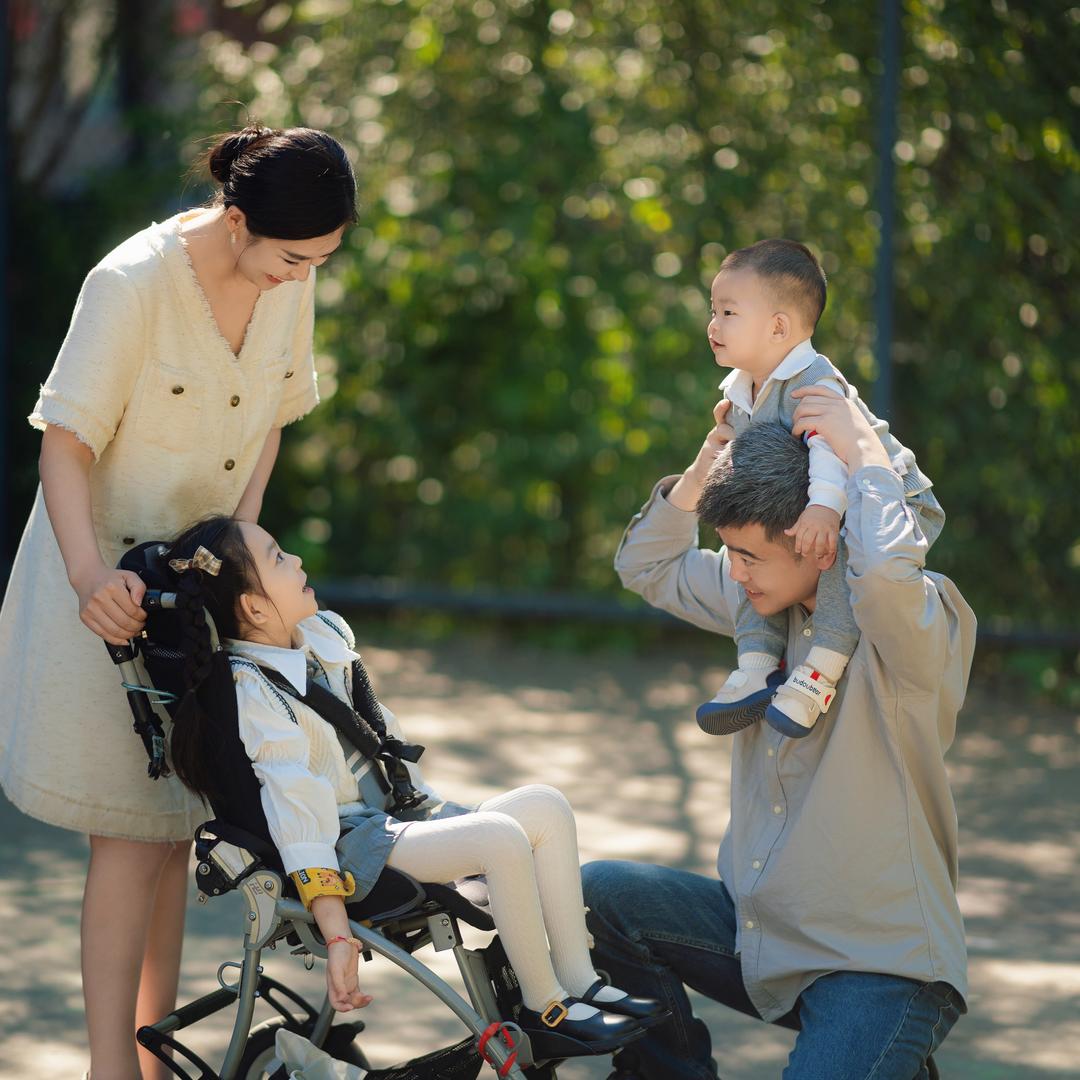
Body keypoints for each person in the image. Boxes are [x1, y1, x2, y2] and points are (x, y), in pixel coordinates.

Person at [0, 124, 356, 1079]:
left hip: (197, 602)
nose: (302, 276)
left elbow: (273, 422)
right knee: (124, 841)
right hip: (103, 593)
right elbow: (64, 445)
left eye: (321, 259)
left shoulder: (293, 271)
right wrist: (89, 583)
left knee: (170, 834)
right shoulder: (131, 283)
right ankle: (111, 1070)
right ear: (235, 220)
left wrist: (236, 564)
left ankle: (152, 1065)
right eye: (292, 256)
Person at [160, 514, 666, 1056]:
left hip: (393, 818)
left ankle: (579, 980)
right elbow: (297, 811)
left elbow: (377, 731)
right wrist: (335, 932)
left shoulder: (319, 639)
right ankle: (544, 1007)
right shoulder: (255, 692)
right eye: (279, 558)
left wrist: (424, 806)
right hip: (347, 847)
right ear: (255, 608)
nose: (298, 561)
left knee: (545, 806)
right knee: (499, 836)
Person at [584, 397, 974, 1079]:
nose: (733, 570)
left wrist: (864, 455)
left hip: (879, 966)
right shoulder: (756, 599)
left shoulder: (911, 625)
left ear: (819, 541)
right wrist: (710, 462)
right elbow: (647, 566)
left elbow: (882, 574)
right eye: (729, 552)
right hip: (764, 933)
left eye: (747, 556)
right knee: (603, 895)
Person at [695, 239, 944, 739]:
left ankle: (820, 670)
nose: (713, 325)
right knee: (746, 554)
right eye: (712, 310)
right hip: (819, 502)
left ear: (779, 327)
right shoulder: (744, 387)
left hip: (886, 502)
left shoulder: (815, 381)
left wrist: (825, 513)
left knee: (836, 556)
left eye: (727, 312)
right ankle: (756, 663)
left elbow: (832, 456)